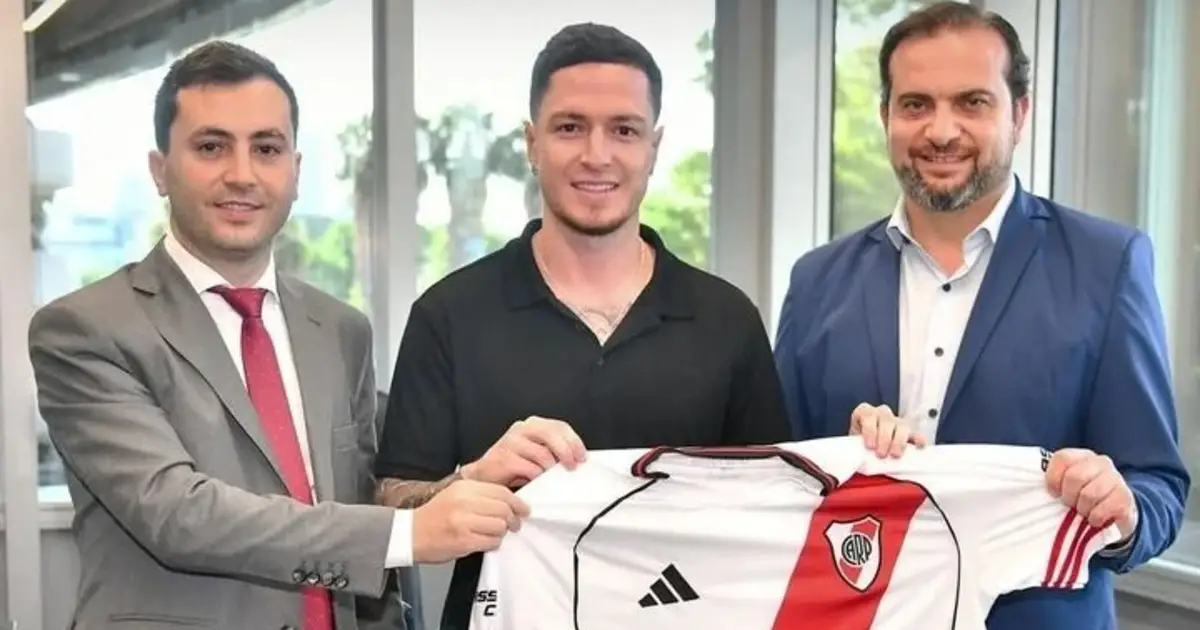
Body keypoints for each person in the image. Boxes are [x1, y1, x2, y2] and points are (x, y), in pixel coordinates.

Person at [27, 40, 526, 630]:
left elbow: (359, 502)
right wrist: (410, 533)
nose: (242, 174)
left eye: (266, 148)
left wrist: (464, 484)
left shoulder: (339, 329)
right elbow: (176, 514)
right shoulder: (86, 329)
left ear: (295, 170)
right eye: (211, 147)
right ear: (160, 170)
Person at [772, 3, 1189, 629]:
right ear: (886, 116)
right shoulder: (816, 281)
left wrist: (1123, 509)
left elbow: (1157, 486)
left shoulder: (1109, 265)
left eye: (972, 102)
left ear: (1018, 114)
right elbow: (777, 480)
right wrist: (843, 454)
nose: (941, 131)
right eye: (916, 105)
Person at [374, 22, 791, 630]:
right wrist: (471, 480)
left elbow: (777, 509)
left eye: (624, 130)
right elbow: (393, 505)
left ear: (654, 147)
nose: (597, 155)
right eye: (570, 127)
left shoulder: (728, 320)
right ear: (532, 142)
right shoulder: (449, 314)